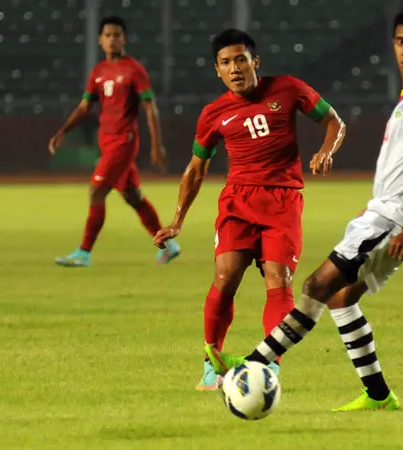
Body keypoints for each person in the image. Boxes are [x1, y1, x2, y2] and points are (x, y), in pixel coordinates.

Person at [205, 5, 403, 412]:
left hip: (394, 220)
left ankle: (253, 363)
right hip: (385, 215)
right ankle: (378, 395)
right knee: (340, 300)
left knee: (315, 288)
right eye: (401, 42)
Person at [152, 29, 346, 391]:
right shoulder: (213, 114)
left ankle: (270, 366)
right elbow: (196, 169)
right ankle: (213, 361)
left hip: (283, 200)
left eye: (240, 59)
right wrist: (177, 220)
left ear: (255, 62)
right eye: (226, 62)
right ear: (218, 71)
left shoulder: (288, 89)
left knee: (279, 281)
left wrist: (327, 149)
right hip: (238, 201)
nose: (235, 68)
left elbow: (334, 120)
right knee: (225, 278)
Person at [51, 16, 178, 267]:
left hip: (124, 142)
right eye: (108, 35)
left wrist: (156, 144)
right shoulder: (98, 72)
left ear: (125, 39)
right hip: (107, 142)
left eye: (117, 35)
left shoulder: (134, 70)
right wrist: (62, 131)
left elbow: (150, 108)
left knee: (97, 191)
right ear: (100, 40)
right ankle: (169, 244)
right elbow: (85, 105)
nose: (112, 40)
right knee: (133, 196)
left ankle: (84, 253)